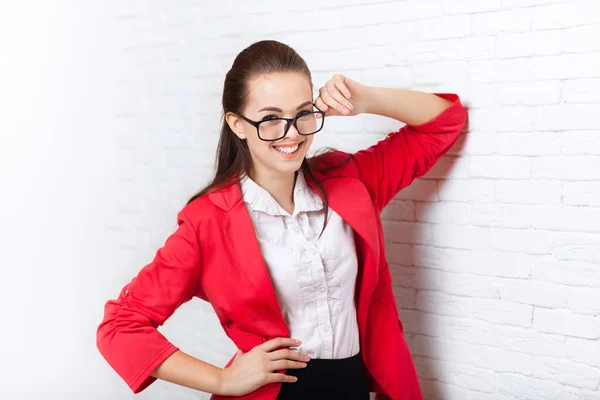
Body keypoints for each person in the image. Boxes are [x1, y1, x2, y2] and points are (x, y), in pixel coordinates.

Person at [96, 40, 467, 400]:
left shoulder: (351, 180)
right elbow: (120, 327)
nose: (291, 133)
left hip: (353, 385)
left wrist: (365, 99)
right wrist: (222, 380)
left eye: (303, 113)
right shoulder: (208, 222)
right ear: (237, 124)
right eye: (271, 119)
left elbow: (443, 123)